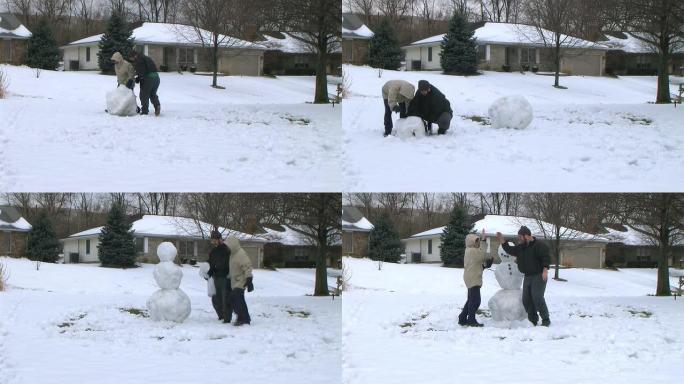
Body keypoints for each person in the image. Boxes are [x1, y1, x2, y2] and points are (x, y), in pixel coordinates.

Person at [496, 226, 552, 327]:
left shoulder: (539, 245)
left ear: (526, 236)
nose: (519, 238)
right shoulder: (521, 247)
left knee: (537, 297)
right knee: (526, 299)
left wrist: (545, 270)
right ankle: (533, 319)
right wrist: (502, 241)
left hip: (539, 275)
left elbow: (546, 258)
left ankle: (546, 319)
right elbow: (510, 250)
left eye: (520, 236)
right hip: (528, 276)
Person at [458, 229, 492, 327]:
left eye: (478, 241)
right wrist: (484, 240)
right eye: (476, 241)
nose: (478, 243)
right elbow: (483, 255)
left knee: (470, 300)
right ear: (471, 242)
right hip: (473, 278)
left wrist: (486, 266)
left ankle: (462, 318)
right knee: (476, 301)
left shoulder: (470, 251)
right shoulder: (472, 251)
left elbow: (476, 265)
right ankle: (471, 320)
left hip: (471, 276)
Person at [226, 236, 254, 326]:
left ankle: (245, 319)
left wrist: (249, 279)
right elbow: (234, 267)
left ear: (233, 244)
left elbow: (247, 266)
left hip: (241, 280)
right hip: (235, 281)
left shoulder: (240, 254)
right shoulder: (232, 254)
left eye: (228, 245)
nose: (227, 247)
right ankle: (241, 317)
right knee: (235, 299)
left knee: (237, 298)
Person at [207, 230, 233, 323]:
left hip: (225, 277)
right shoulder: (213, 251)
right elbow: (210, 262)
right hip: (216, 277)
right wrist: (209, 271)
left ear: (220, 239)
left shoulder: (226, 250)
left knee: (225, 298)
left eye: (215, 240)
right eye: (212, 240)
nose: (213, 242)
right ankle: (221, 315)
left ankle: (227, 318)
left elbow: (226, 263)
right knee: (215, 298)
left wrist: (217, 267)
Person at [129, 50, 161, 116]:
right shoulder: (146, 57)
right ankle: (157, 105)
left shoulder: (139, 60)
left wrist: (139, 78)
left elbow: (142, 71)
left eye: (131, 59)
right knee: (152, 93)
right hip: (156, 77)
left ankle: (144, 111)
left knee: (144, 94)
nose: (132, 60)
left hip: (148, 78)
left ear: (134, 56)